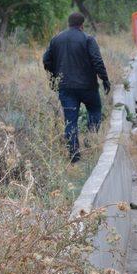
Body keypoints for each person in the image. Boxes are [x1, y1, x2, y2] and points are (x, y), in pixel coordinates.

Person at [43, 12, 111, 163]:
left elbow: (46, 60)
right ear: (82, 25)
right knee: (94, 110)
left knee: (70, 121)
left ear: (68, 23)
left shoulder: (56, 39)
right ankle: (90, 141)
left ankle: (75, 156)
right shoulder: (88, 39)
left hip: (66, 88)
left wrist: (54, 78)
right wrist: (105, 79)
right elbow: (97, 61)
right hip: (88, 87)